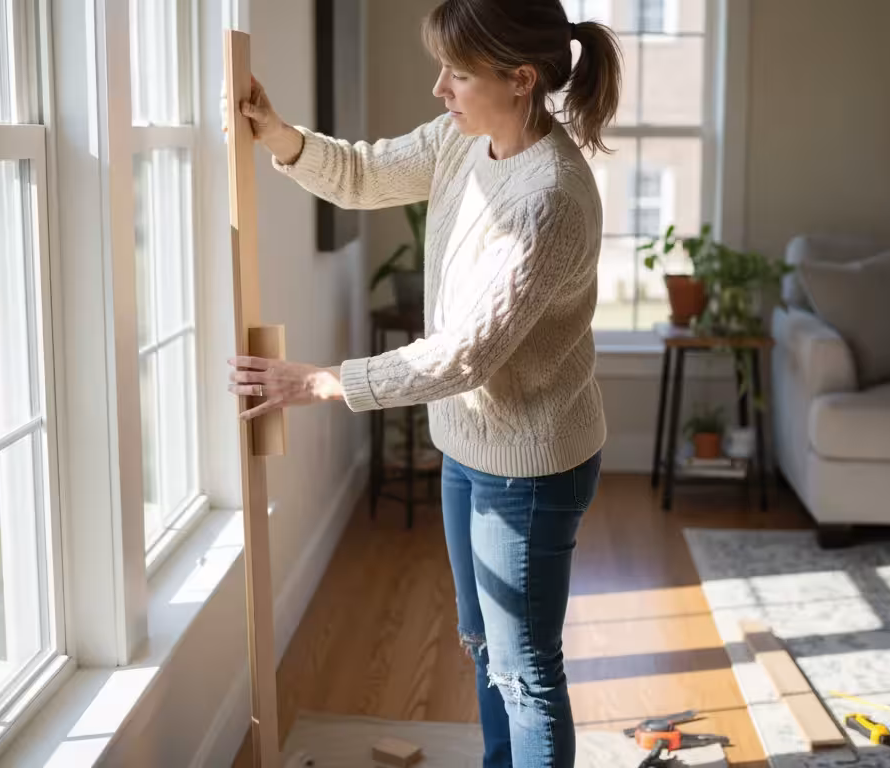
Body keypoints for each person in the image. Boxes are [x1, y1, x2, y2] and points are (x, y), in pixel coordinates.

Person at [228, 1, 622, 765]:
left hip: (532, 469)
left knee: (525, 670)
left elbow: (464, 356)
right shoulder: (461, 139)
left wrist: (321, 383)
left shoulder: (550, 201)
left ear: (520, 80)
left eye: (458, 74)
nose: (440, 89)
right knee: (483, 646)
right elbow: (367, 172)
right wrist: (277, 134)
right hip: (469, 444)